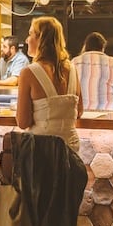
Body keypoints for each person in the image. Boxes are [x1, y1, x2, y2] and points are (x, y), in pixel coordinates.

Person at [16, 16, 82, 152]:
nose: (27, 40)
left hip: (41, 150)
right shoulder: (73, 70)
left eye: (30, 34)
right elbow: (79, 111)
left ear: (41, 39)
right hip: (70, 150)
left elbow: (23, 122)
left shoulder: (28, 72)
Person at [71, 32, 113, 111]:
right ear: (103, 47)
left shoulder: (74, 62)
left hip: (81, 114)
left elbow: (70, 91)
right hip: (108, 115)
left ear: (85, 46)